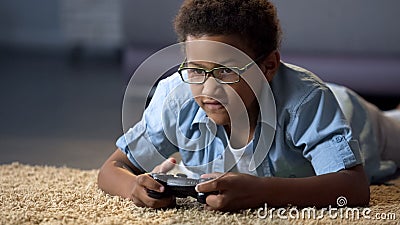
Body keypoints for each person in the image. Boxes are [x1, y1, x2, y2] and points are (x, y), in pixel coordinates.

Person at [98, 0, 400, 211]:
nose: (208, 88)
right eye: (195, 70)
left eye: (227, 70)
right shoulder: (176, 96)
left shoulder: (307, 101)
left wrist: (262, 192)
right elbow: (112, 169)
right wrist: (133, 188)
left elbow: (354, 189)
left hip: (353, 117)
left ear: (268, 66)